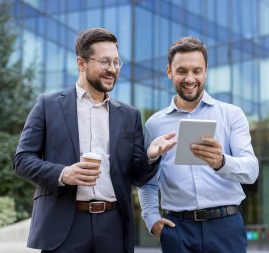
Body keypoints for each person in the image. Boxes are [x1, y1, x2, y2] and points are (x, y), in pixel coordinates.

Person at [13, 28, 176, 253]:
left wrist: (151, 155)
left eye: (117, 62)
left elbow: (137, 177)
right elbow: (22, 160)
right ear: (81, 63)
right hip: (64, 227)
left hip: (114, 226)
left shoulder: (129, 115)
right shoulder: (48, 105)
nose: (113, 69)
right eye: (105, 61)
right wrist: (64, 174)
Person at [138, 36, 259, 253]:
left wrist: (222, 162)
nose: (190, 78)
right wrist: (152, 220)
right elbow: (147, 182)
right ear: (169, 72)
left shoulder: (231, 115)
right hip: (178, 230)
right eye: (182, 71)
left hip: (226, 228)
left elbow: (251, 171)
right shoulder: (154, 124)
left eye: (196, 70)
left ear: (206, 71)